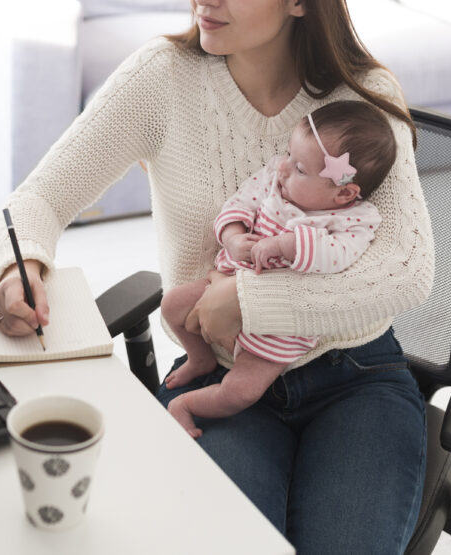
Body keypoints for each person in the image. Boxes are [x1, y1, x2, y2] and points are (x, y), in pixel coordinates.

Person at [0, 0, 434, 552]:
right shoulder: (161, 78)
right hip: (219, 377)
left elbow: (407, 272)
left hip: (356, 378)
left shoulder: (363, 99)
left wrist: (250, 298)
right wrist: (23, 265)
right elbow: (40, 197)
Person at [162, 100, 396, 439]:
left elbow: (340, 257)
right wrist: (233, 237)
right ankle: (200, 358)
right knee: (172, 305)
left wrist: (288, 245)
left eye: (300, 168)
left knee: (240, 392)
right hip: (224, 283)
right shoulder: (274, 180)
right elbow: (239, 203)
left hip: (281, 329)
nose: (283, 168)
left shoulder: (353, 220)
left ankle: (185, 405)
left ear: (344, 192)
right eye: (289, 154)